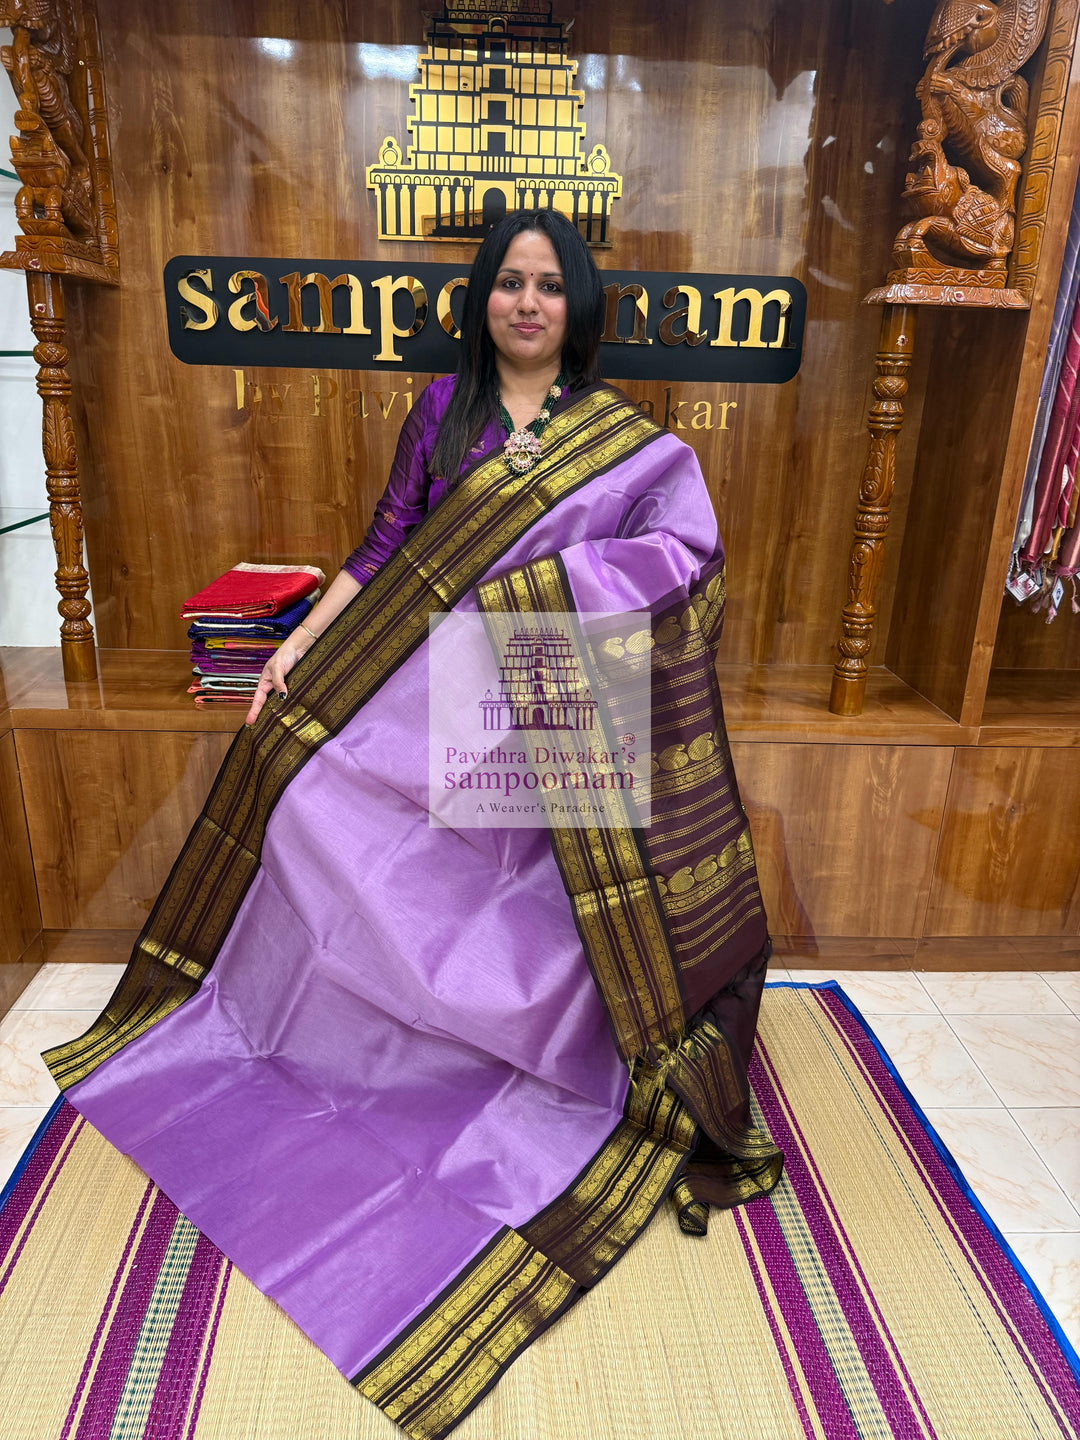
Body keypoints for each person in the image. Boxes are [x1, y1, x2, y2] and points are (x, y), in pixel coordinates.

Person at [43, 210, 782, 1440]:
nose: (528, 302)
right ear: (483, 298)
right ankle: (373, 1042)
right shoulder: (443, 419)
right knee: (307, 786)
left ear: (575, 304)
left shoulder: (626, 444)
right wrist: (293, 652)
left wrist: (556, 585)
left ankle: (529, 1055)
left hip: (551, 698)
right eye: (509, 282)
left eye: (549, 285)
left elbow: (686, 555)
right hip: (431, 690)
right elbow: (382, 553)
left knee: (552, 892)